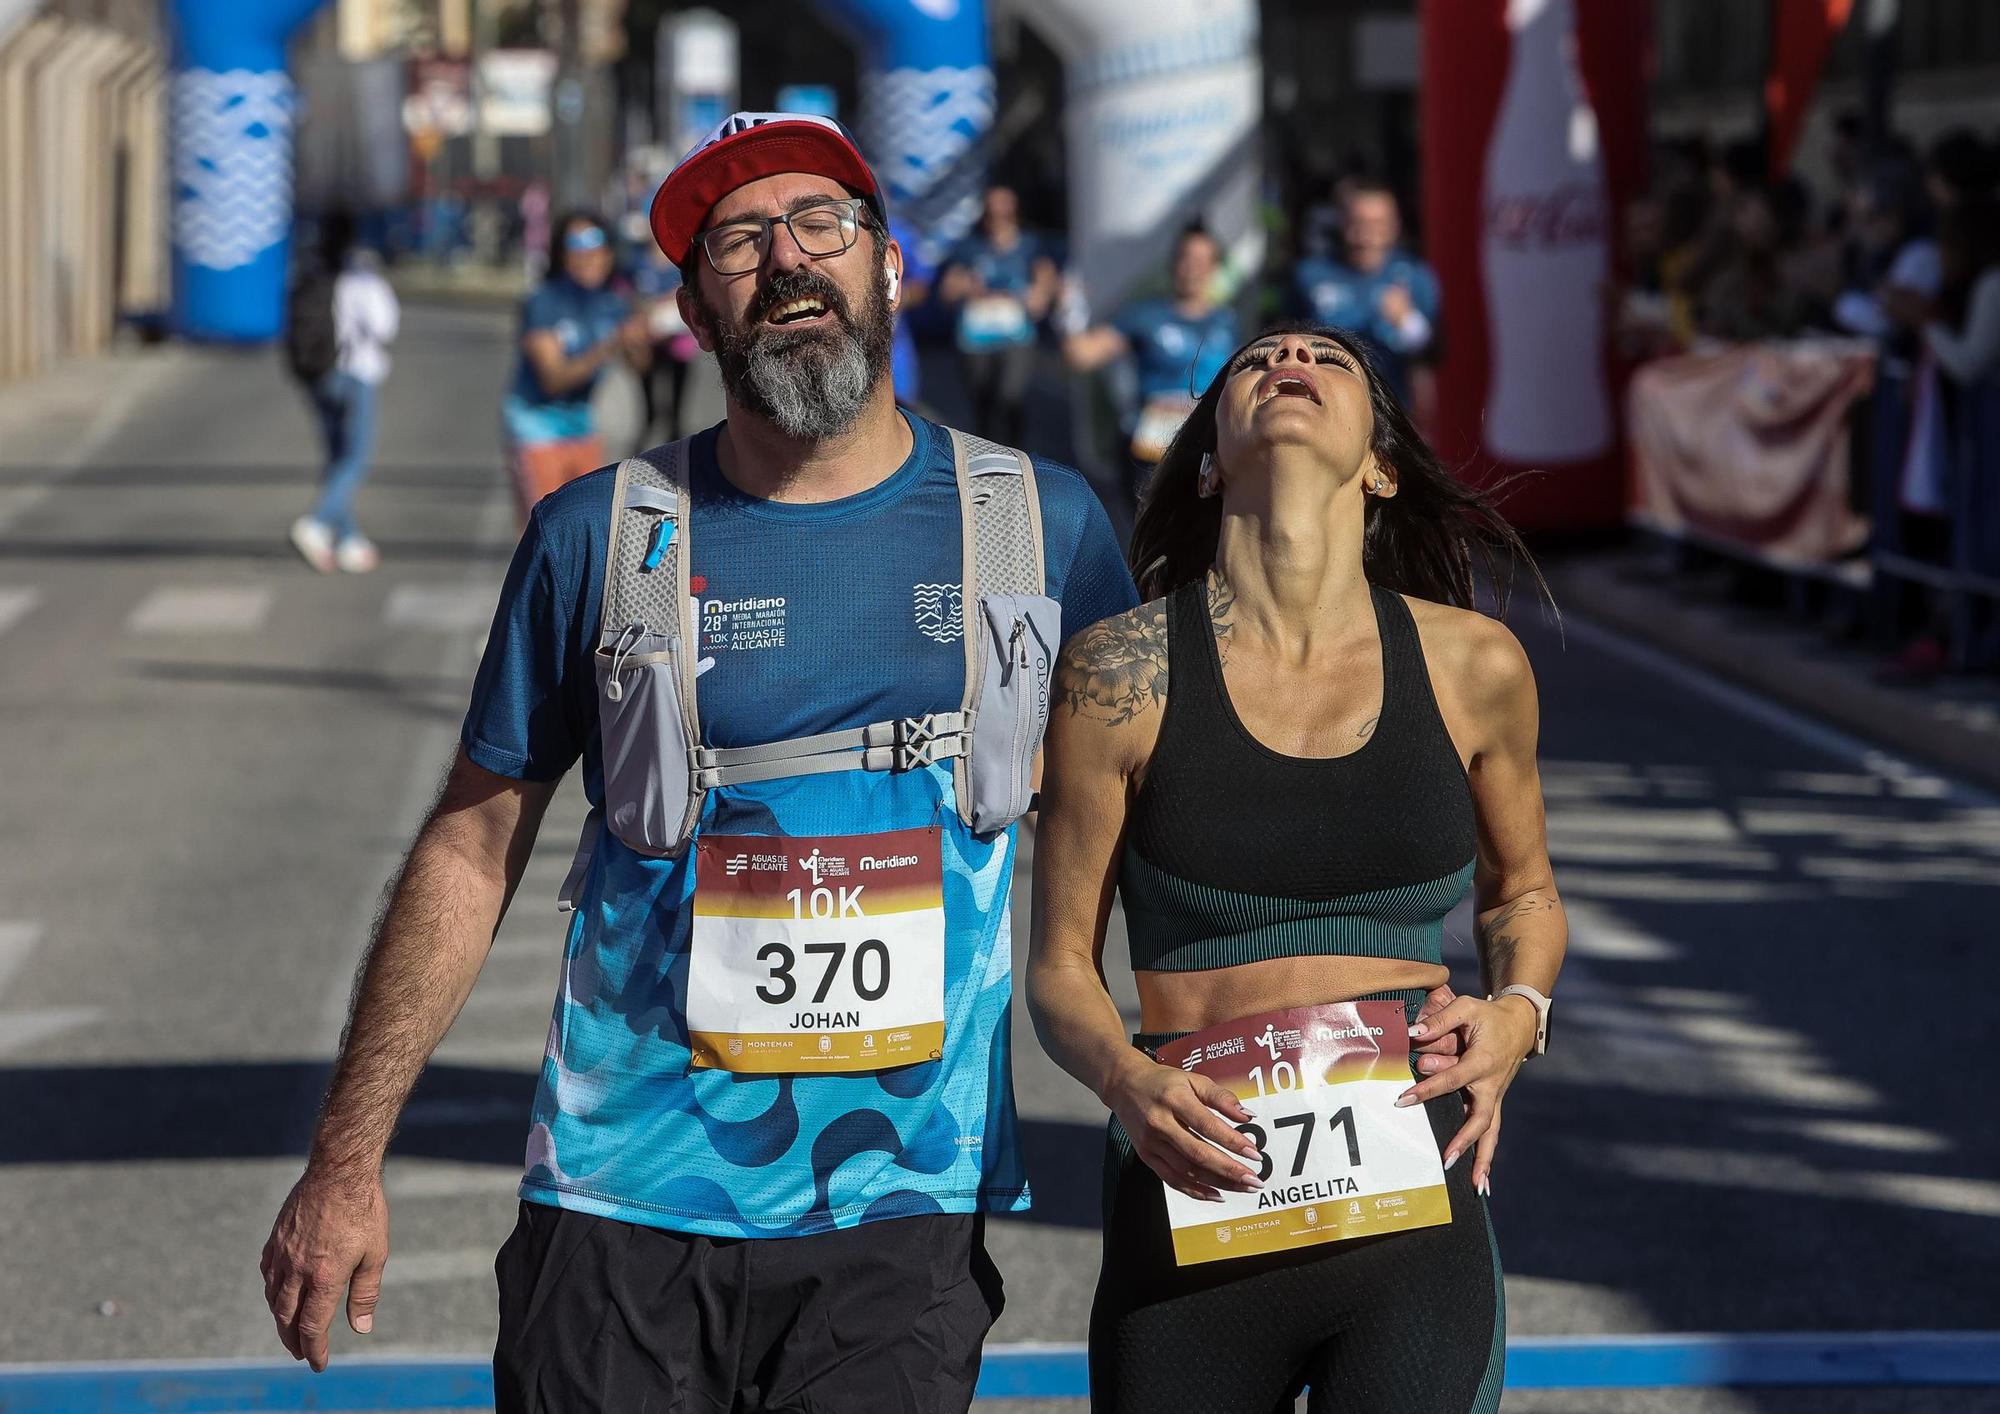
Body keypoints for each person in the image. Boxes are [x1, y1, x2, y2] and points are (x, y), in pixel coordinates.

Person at [258, 111, 1136, 1412]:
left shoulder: (1041, 525)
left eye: (821, 222)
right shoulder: (600, 536)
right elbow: (470, 839)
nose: (786, 258)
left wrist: (1232, 1072)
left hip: (900, 1198)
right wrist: (345, 1157)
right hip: (624, 1188)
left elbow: (1157, 812)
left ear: (889, 268)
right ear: (692, 306)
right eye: (738, 240)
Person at [1028, 325, 1566, 1413]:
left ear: (1379, 464)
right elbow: (1058, 969)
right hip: (1187, 1192)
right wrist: (1126, 1081)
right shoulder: (1116, 672)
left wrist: (1515, 1010)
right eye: (1254, 361)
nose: (1289, 365)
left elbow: (1523, 895)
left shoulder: (1473, 662)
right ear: (1210, 460)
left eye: (1329, 362)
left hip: (1413, 1205)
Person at [1063, 224, 1240, 496]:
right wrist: (1069, 310)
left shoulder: (1228, 322)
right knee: (1148, 535)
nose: (1193, 268)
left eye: (1202, 260)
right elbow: (1082, 355)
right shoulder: (1144, 315)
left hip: (1204, 451)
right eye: (1186, 258)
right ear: (1173, 263)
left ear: (1214, 268)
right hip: (1149, 453)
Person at [501, 211, 654, 519]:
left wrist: (637, 340)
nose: (588, 258)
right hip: (536, 426)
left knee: (589, 523)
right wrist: (609, 344)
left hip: (582, 424)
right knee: (544, 525)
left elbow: (641, 367)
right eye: (577, 248)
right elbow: (553, 379)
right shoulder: (543, 301)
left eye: (596, 248)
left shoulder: (612, 304)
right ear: (560, 254)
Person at [289, 213, 400, 574]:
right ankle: (317, 523)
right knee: (355, 460)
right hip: (358, 375)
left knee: (337, 458)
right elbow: (384, 327)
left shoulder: (313, 272)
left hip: (319, 376)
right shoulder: (364, 278)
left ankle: (349, 540)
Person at [1291, 180, 1440, 403]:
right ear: (1342, 222)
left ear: (1395, 224)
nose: (1367, 235)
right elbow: (1283, 337)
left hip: (1391, 410)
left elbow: (1436, 356)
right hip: (1326, 404)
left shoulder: (1415, 278)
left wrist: (1408, 322)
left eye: (1378, 224)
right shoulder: (1310, 276)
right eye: (1358, 223)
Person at [939, 184, 1060, 445]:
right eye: (992, 208)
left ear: (1015, 210)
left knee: (1010, 396)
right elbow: (948, 290)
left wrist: (1037, 295)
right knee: (983, 401)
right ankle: (984, 459)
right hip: (976, 336)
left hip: (1016, 334)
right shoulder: (970, 247)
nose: (998, 214)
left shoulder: (1030, 244)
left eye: (1004, 207)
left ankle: (1018, 454)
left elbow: (1047, 279)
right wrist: (967, 286)